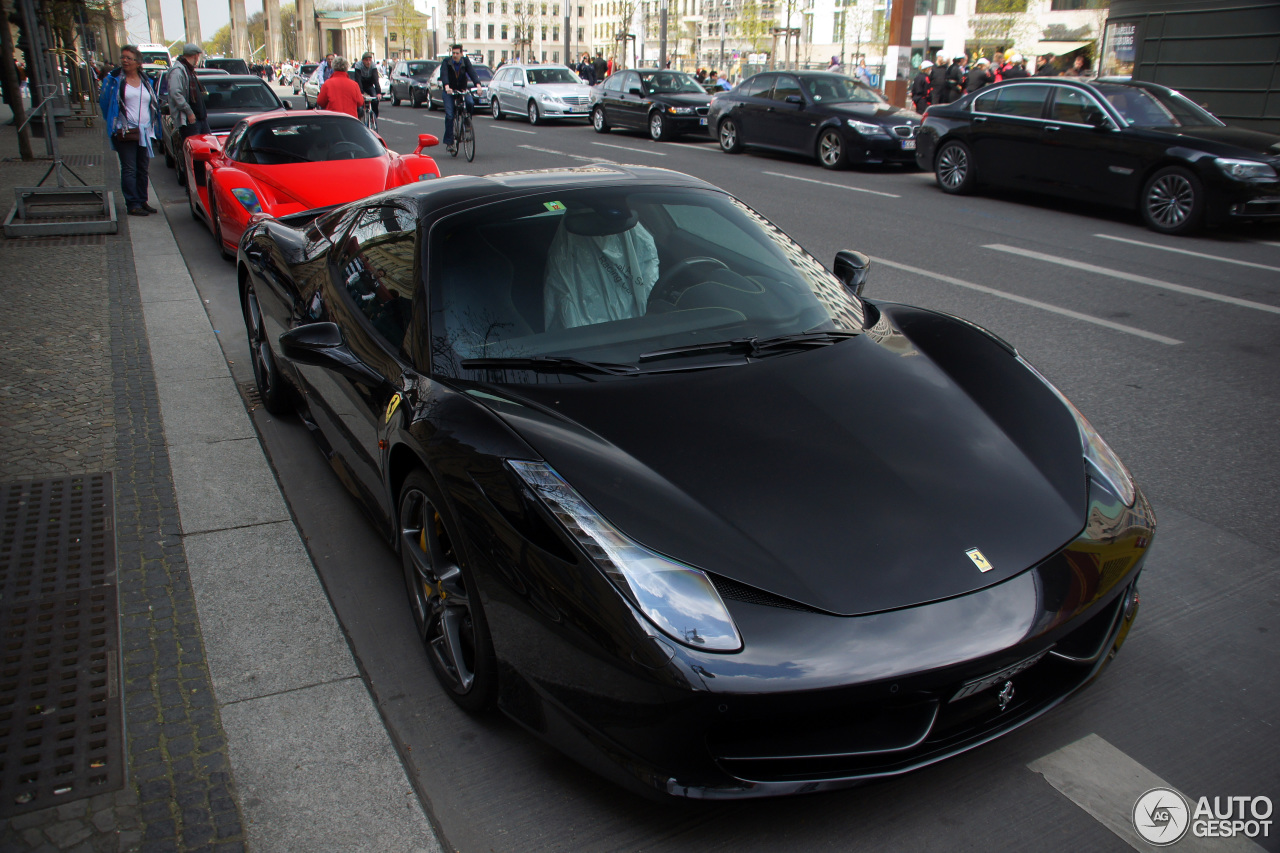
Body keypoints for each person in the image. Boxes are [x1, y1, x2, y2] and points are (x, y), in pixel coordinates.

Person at [100, 45, 162, 217]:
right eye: (123, 58)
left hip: (144, 130)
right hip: (125, 130)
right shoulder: (115, 81)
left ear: (138, 62)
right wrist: (114, 122)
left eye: (129, 58)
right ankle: (132, 203)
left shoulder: (146, 81)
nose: (125, 61)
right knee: (129, 168)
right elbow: (105, 103)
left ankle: (142, 200)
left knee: (143, 168)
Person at [441, 44, 482, 154]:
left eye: (457, 53)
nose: (455, 55)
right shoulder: (446, 62)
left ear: (461, 54)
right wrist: (447, 87)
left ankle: (467, 123)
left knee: (470, 102)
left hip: (462, 89)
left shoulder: (465, 62)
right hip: (449, 91)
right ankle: (450, 142)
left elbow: (472, 73)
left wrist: (478, 85)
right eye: (453, 53)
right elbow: (444, 74)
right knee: (450, 115)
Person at [166, 43, 208, 139]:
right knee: (194, 149)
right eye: (198, 55)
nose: (198, 58)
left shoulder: (188, 70)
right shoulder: (178, 71)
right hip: (190, 120)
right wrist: (189, 112)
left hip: (200, 117)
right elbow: (175, 93)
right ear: (195, 55)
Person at [353, 51, 380, 123]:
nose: (368, 62)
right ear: (363, 60)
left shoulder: (373, 65)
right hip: (361, 83)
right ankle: (359, 116)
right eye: (366, 60)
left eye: (370, 60)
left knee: (375, 98)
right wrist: (360, 92)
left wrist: (378, 92)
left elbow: (375, 79)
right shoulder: (358, 65)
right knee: (360, 102)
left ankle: (374, 116)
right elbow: (358, 79)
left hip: (369, 84)